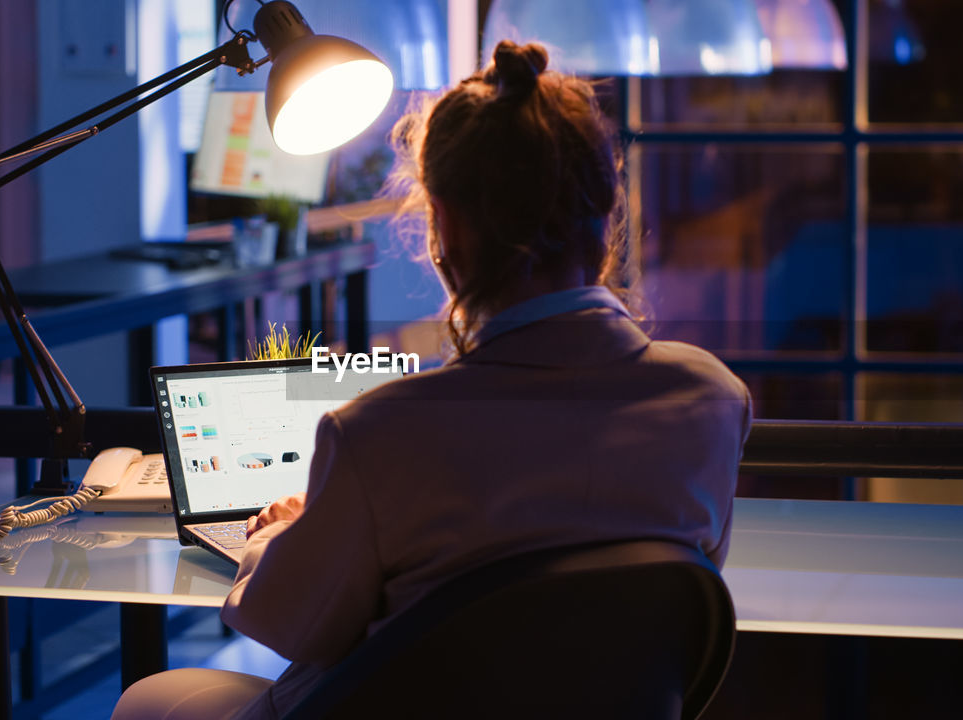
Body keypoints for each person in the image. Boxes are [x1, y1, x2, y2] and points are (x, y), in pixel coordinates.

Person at [112, 41, 751, 720]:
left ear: (443, 230)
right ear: (608, 218)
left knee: (150, 699)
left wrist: (278, 535)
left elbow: (289, 625)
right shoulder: (711, 400)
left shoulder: (378, 435)